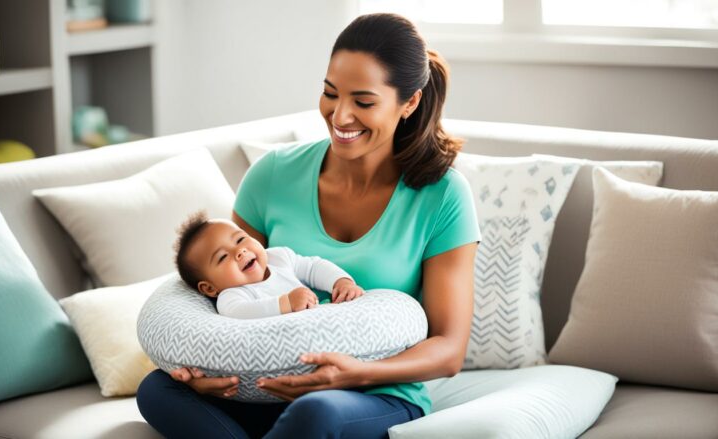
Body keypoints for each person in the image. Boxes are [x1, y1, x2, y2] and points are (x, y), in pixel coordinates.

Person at [137, 12, 481, 439]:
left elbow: (449, 349)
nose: (340, 116)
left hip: (371, 392)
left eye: (364, 101)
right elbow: (221, 288)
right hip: (261, 388)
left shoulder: (442, 195)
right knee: (155, 389)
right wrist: (198, 373)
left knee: (315, 413)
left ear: (408, 102)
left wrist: (356, 374)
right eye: (330, 93)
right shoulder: (272, 175)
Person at [173, 212, 364, 318]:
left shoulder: (278, 257)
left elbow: (314, 267)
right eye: (223, 257)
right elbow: (239, 313)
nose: (239, 251)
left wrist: (340, 282)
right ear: (209, 288)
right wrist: (286, 302)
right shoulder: (232, 296)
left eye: (240, 239)